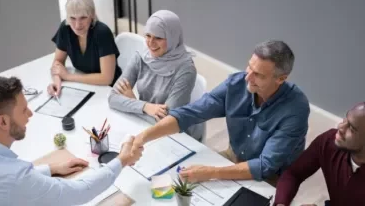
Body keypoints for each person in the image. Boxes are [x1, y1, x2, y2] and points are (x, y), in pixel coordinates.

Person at [130, 40, 310, 185]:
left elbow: (265, 166)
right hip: (234, 156)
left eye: (259, 75)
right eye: (249, 67)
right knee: (182, 185)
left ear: (281, 79)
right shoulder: (237, 83)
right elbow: (190, 113)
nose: (247, 77)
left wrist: (211, 172)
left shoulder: (296, 109)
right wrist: (143, 137)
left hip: (272, 178)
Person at [0, 76, 142, 206]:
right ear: (3, 122)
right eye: (23, 110)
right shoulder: (15, 177)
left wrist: (50, 169)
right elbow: (80, 192)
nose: (30, 114)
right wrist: (122, 159)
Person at [108, 10, 202, 141]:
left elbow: (167, 122)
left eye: (158, 38)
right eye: (148, 35)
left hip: (175, 137)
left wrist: (133, 102)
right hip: (144, 126)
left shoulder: (186, 70)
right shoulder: (141, 56)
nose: (150, 43)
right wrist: (145, 107)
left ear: (172, 38)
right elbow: (112, 99)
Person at [274, 102, 365, 206]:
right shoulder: (329, 141)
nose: (340, 127)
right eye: (346, 119)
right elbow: (293, 174)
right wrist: (281, 203)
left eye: (352, 129)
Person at [47, 0, 122, 97]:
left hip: (111, 90)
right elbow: (58, 62)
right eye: (72, 18)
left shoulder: (102, 32)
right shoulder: (65, 28)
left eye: (83, 17)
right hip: (85, 86)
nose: (77, 25)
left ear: (92, 15)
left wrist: (68, 76)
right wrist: (57, 81)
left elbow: (107, 78)